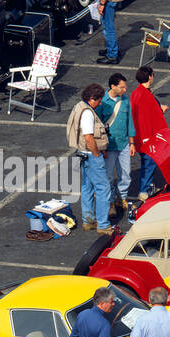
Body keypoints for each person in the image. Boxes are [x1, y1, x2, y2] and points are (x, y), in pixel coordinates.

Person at [67, 83, 112, 234]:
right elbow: (88, 137)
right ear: (92, 98)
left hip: (82, 154)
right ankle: (103, 225)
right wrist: (97, 154)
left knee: (87, 186)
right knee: (103, 188)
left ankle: (88, 221)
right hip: (91, 154)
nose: (100, 103)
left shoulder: (79, 106)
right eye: (98, 100)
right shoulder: (87, 113)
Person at [98, 72, 135, 219]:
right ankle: (111, 201)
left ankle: (122, 197)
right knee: (107, 176)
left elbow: (130, 123)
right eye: (122, 87)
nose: (124, 90)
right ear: (112, 86)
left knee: (125, 174)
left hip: (124, 143)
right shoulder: (103, 102)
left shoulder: (125, 100)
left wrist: (132, 143)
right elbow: (98, 125)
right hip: (109, 146)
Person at [130, 65, 169, 198]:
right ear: (150, 77)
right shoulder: (145, 95)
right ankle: (143, 190)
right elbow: (148, 118)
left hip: (140, 136)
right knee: (149, 164)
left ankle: (147, 187)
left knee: (147, 164)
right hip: (148, 137)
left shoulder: (137, 93)